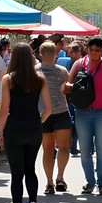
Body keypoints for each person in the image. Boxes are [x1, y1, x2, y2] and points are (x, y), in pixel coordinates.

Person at [0, 43, 52, 203]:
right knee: (30, 169)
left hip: (14, 127)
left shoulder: (8, 79)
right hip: (33, 127)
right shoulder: (39, 78)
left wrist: (0, 131)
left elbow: (5, 109)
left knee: (16, 174)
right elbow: (48, 108)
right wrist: (39, 120)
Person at [64, 36, 102, 195]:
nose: (94, 53)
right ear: (87, 49)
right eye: (92, 49)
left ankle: (101, 183)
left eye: (98, 50)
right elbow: (67, 85)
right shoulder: (79, 64)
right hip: (82, 112)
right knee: (85, 150)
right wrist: (75, 86)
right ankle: (90, 182)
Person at [37, 42, 73, 194]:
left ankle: (49, 182)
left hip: (42, 114)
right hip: (61, 112)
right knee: (64, 147)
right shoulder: (62, 71)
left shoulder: (34, 71)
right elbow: (67, 89)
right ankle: (60, 177)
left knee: (47, 149)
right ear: (55, 54)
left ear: (40, 54)